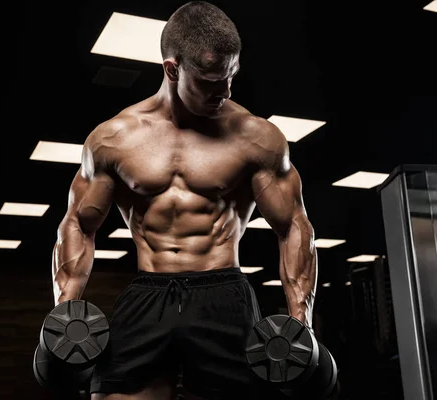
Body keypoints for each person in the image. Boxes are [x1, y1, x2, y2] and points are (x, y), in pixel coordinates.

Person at [51, 1, 318, 399]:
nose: (225, 91)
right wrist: (65, 313)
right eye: (211, 82)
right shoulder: (113, 138)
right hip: (149, 292)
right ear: (172, 69)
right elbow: (77, 224)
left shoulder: (255, 137)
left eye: (231, 77)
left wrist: (302, 322)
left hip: (222, 291)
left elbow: (293, 225)